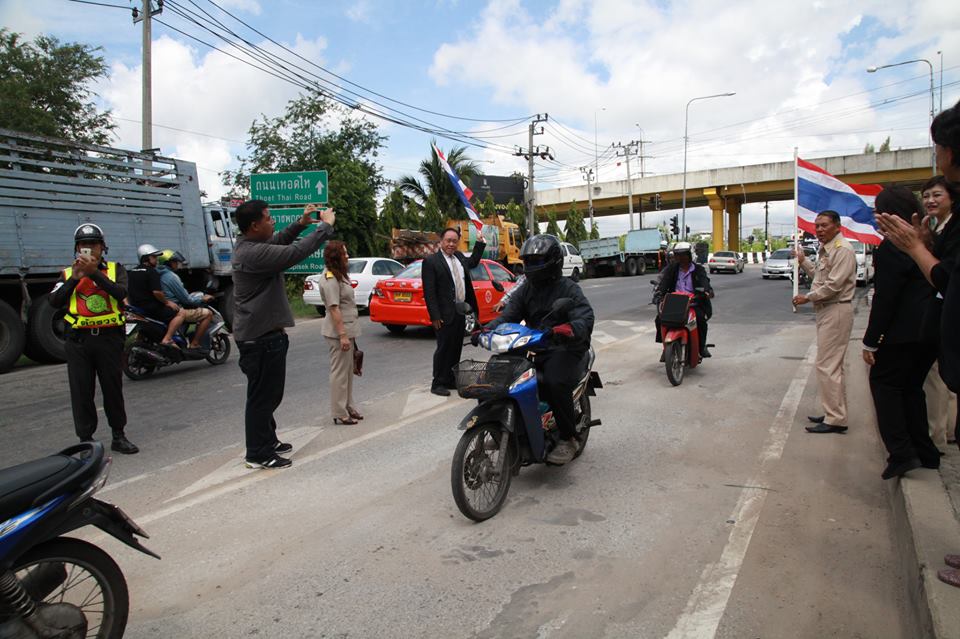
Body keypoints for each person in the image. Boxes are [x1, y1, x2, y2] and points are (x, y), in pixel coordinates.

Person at [233, 200, 336, 470]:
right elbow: (294, 252)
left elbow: (279, 241)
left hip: (264, 335)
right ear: (254, 226)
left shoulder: (253, 245)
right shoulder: (252, 253)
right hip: (259, 338)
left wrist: (300, 224)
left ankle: (267, 440)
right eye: (268, 218)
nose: (273, 221)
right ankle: (258, 453)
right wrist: (324, 227)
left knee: (268, 395)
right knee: (262, 398)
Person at [483, 234, 595, 465]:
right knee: (500, 374)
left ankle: (568, 438)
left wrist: (568, 328)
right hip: (536, 344)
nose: (531, 266)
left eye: (537, 261)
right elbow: (508, 315)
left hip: (566, 347)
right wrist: (485, 330)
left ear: (553, 261)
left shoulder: (569, 289)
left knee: (554, 381)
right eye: (528, 261)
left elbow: (585, 317)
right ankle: (504, 425)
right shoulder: (527, 290)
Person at [860, 187, 939, 479]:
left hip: (902, 333)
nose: (876, 218)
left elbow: (886, 299)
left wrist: (871, 341)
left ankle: (902, 453)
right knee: (911, 388)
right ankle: (926, 452)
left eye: (878, 212)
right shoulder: (927, 239)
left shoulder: (893, 246)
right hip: (930, 331)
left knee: (884, 385)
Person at [47, 223, 138, 454]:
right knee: (81, 391)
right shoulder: (68, 273)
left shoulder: (116, 269)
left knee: (113, 389)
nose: (89, 248)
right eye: (84, 245)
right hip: (79, 341)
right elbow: (54, 301)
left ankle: (119, 436)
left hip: (109, 339)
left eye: (94, 244)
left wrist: (94, 272)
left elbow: (121, 293)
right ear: (77, 248)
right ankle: (86, 440)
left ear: (103, 247)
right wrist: (75, 278)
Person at [792, 210, 857, 434]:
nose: (819, 230)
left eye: (824, 225)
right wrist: (803, 262)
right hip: (826, 310)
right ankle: (834, 412)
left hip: (836, 309)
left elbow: (833, 286)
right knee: (832, 366)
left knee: (827, 365)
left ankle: (835, 418)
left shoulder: (842, 250)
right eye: (817, 226)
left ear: (837, 226)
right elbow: (821, 278)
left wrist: (807, 298)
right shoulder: (826, 249)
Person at [919, 177, 960, 448]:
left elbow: (942, 275)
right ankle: (948, 430)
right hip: (945, 311)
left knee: (938, 380)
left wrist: (917, 247)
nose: (930, 201)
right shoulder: (939, 227)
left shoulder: (953, 228)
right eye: (926, 196)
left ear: (952, 197)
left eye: (936, 195)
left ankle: (937, 436)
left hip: (949, 312)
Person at [422, 227, 485, 396]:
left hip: (460, 311)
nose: (451, 244)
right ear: (441, 241)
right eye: (448, 240)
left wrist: (480, 243)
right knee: (443, 348)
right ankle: (437, 383)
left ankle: (450, 379)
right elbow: (429, 292)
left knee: (456, 348)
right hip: (443, 315)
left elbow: (473, 262)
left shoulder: (459, 257)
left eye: (454, 241)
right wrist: (435, 316)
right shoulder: (431, 262)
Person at [319, 240, 362, 425]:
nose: (347, 256)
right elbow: (334, 308)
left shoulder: (339, 275)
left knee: (348, 372)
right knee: (339, 373)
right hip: (338, 333)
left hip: (347, 330)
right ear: (336, 257)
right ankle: (339, 411)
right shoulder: (330, 278)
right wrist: (343, 335)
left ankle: (348, 405)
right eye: (344, 253)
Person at [653, 242, 714, 358]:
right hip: (675, 303)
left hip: (694, 303)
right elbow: (664, 283)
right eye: (677, 255)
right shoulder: (672, 269)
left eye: (683, 255)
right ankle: (666, 346)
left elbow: (704, 282)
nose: (680, 258)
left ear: (690, 255)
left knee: (700, 320)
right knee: (659, 319)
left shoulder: (699, 270)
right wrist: (659, 293)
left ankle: (701, 347)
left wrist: (706, 291)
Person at [127, 243, 186, 347]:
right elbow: (157, 292)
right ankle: (167, 339)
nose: (156, 260)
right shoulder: (151, 272)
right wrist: (168, 303)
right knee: (181, 313)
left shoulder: (132, 271)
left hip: (136, 308)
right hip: (151, 308)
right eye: (154, 257)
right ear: (146, 258)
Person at [157, 250, 214, 351]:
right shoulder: (171, 277)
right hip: (176, 309)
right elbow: (187, 300)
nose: (177, 264)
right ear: (169, 263)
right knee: (208, 314)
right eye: (175, 262)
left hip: (162, 309)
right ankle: (195, 343)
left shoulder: (156, 274)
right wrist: (202, 298)